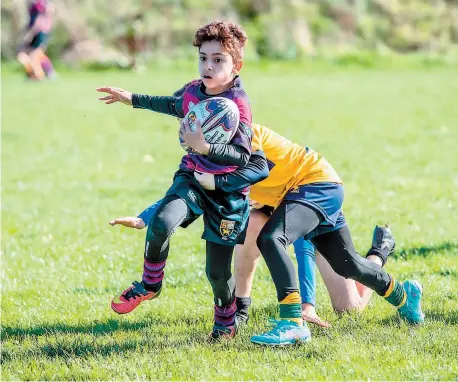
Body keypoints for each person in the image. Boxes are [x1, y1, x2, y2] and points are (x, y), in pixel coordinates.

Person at [97, 21, 270, 340]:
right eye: (203, 58)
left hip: (227, 194)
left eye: (218, 60)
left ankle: (226, 319)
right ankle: (150, 285)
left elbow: (243, 156)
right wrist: (131, 98)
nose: (208, 65)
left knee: (217, 273)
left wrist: (207, 146)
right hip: (192, 178)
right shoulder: (193, 91)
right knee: (162, 221)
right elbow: (172, 105)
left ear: (236, 66)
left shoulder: (239, 103)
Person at [17, 0, 56, 80]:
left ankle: (38, 75)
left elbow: (40, 20)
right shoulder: (36, 4)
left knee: (33, 55)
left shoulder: (40, 4)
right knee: (28, 54)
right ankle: (39, 73)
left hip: (39, 32)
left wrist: (30, 33)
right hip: (37, 31)